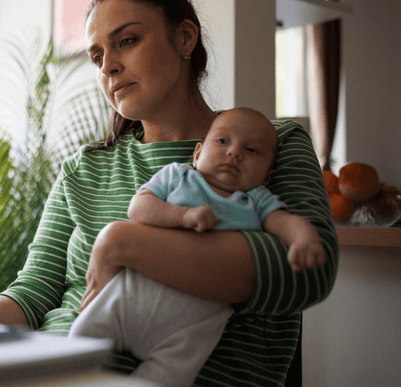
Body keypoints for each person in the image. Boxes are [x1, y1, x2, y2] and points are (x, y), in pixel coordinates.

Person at [0, 0, 338, 386]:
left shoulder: (270, 144)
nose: (108, 65)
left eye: (126, 40)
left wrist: (123, 242)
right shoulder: (82, 170)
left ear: (185, 38)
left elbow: (307, 271)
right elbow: (32, 297)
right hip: (50, 368)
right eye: (96, 55)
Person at [67, 107, 326, 386]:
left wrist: (305, 240)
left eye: (251, 151)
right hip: (129, 298)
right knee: (80, 343)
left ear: (266, 177)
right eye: (222, 141)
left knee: (168, 377)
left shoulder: (256, 201)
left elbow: (286, 222)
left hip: (192, 327)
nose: (234, 153)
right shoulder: (178, 176)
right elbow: (139, 208)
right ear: (198, 152)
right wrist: (183, 215)